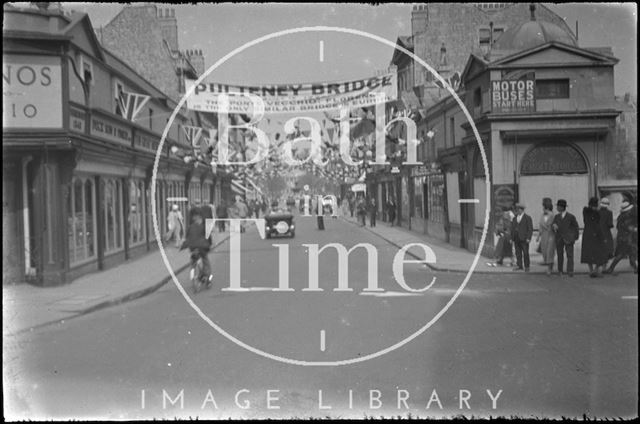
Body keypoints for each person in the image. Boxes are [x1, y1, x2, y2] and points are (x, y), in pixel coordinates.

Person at [604, 196, 638, 275]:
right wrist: (634, 229)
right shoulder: (628, 217)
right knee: (624, 254)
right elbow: (629, 228)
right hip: (628, 239)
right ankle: (611, 269)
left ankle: (635, 268)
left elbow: (619, 227)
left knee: (629, 254)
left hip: (624, 238)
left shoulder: (621, 216)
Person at [180, 207, 213, 285]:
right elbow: (208, 237)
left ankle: (193, 268)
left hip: (192, 247)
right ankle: (207, 278)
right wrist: (210, 244)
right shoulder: (203, 225)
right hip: (202, 247)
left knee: (193, 260)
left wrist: (183, 246)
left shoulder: (190, 226)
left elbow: (187, 237)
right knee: (205, 260)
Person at [581, 197, 608, 278]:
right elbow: (597, 225)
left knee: (589, 253)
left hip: (587, 234)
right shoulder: (596, 213)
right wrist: (602, 237)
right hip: (595, 235)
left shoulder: (586, 211)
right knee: (601, 253)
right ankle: (595, 270)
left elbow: (586, 221)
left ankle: (592, 270)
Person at [552, 199, 580, 277]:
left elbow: (576, 227)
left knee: (570, 255)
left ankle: (570, 270)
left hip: (568, 238)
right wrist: (554, 226)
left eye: (558, 206)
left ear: (562, 207)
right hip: (559, 238)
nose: (557, 208)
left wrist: (574, 237)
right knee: (559, 255)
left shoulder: (570, 217)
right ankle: (560, 270)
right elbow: (553, 225)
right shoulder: (556, 216)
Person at [511, 203, 533, 272]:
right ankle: (519, 265)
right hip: (516, 238)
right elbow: (512, 228)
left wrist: (528, 238)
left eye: (519, 209)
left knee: (525, 253)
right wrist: (512, 238)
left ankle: (527, 266)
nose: (517, 211)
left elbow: (530, 229)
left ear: (522, 210)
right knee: (518, 253)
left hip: (524, 238)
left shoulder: (527, 218)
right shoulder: (515, 218)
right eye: (517, 209)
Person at [536, 198, 556, 275]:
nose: (542, 208)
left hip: (551, 235)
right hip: (544, 236)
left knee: (549, 252)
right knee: (544, 252)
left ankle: (549, 268)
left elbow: (554, 225)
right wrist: (538, 236)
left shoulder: (552, 215)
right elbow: (540, 226)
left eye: (543, 206)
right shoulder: (542, 215)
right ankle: (549, 265)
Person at [598, 197, 615, 267]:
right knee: (607, 249)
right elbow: (610, 224)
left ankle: (598, 267)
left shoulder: (597, 212)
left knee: (599, 250)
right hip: (606, 233)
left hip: (598, 233)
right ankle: (604, 267)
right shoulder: (609, 213)